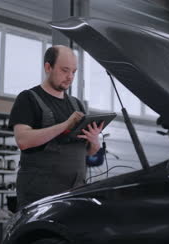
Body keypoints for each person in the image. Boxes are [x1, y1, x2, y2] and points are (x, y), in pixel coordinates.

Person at [9, 45, 104, 209]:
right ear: (48, 67)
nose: (70, 77)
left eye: (74, 72)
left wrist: (94, 142)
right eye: (65, 70)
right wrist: (65, 125)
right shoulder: (28, 99)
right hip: (39, 195)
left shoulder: (77, 105)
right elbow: (23, 140)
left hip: (75, 191)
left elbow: (88, 151)